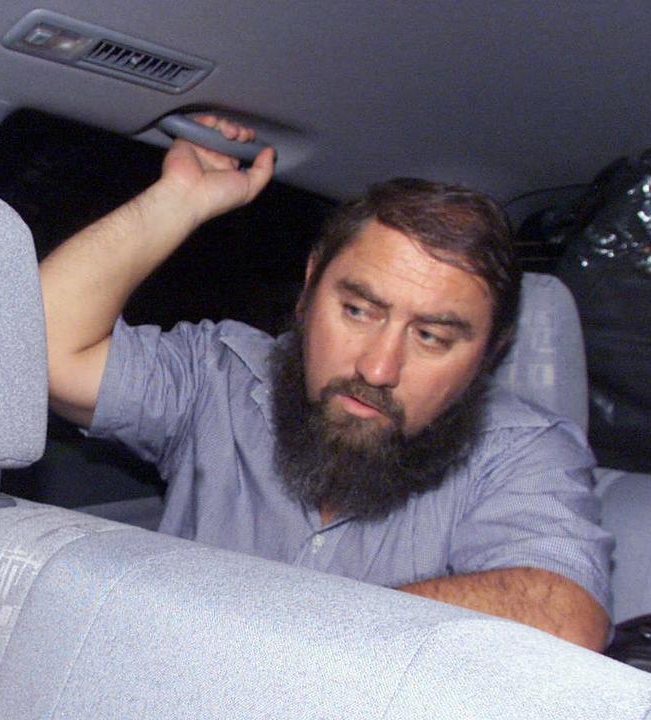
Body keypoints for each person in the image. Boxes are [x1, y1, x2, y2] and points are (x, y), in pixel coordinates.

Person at [41, 117, 612, 650]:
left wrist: (292, 636)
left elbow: (564, 615)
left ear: (490, 354)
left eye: (432, 337)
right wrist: (176, 204)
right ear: (311, 288)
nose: (377, 369)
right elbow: (36, 352)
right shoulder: (218, 378)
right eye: (359, 310)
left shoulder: (522, 453)